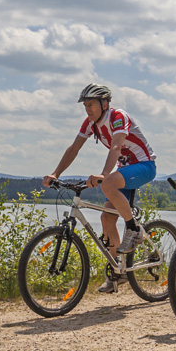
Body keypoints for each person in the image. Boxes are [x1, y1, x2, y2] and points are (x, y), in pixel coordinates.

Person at [43, 83, 157, 293]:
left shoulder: (117, 116)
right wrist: (55, 174)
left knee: (109, 183)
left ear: (104, 103)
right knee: (107, 218)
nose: (88, 109)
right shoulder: (90, 123)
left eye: (91, 104)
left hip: (144, 165)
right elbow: (74, 148)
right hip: (124, 170)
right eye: (85, 105)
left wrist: (104, 175)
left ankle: (134, 230)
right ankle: (118, 270)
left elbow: (116, 146)